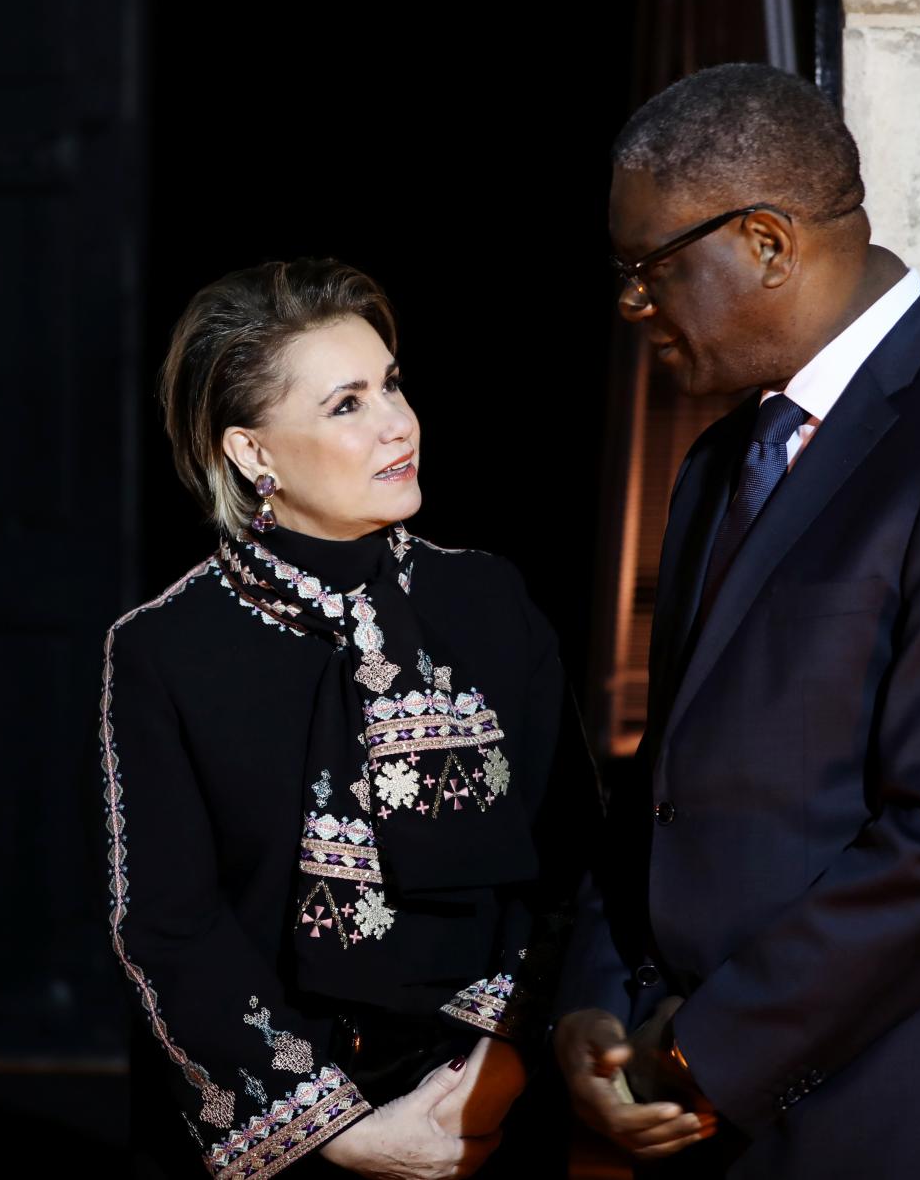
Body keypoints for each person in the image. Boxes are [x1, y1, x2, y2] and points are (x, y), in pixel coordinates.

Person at [555, 64, 920, 1177]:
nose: (630, 302)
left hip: (914, 1113)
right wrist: (594, 1002)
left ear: (766, 241)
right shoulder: (721, 457)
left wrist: (706, 1053)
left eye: (647, 268)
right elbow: (660, 784)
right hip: (716, 1108)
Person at [102, 259, 597, 1179]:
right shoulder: (166, 648)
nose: (398, 424)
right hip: (289, 1134)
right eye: (346, 405)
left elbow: (571, 857)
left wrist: (501, 1060)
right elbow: (169, 927)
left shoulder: (489, 601)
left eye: (393, 384)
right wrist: (340, 1133)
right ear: (252, 454)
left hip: (491, 1107)